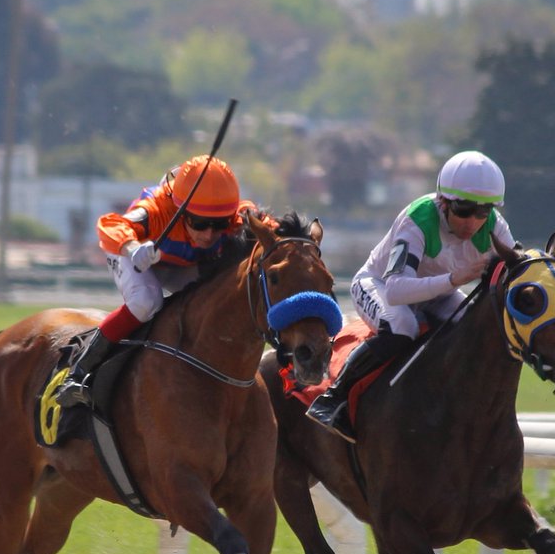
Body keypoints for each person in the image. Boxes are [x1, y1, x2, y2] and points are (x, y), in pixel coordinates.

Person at [306, 149, 516, 441]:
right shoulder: (419, 219)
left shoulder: (494, 226)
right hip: (379, 286)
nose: (472, 222)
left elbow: (517, 267)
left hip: (436, 292)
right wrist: (457, 278)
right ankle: (333, 398)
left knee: (473, 327)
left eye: (482, 212)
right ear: (443, 202)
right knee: (404, 325)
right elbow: (396, 289)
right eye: (464, 210)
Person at [57, 154, 262, 408]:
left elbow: (273, 232)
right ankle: (78, 372)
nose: (209, 234)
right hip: (140, 256)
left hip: (186, 264)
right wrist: (131, 247)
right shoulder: (154, 210)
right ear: (180, 210)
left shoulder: (238, 215)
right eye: (199, 223)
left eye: (219, 225)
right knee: (146, 302)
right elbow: (109, 224)